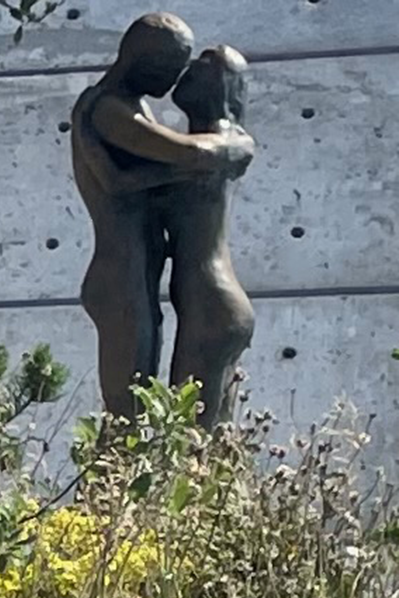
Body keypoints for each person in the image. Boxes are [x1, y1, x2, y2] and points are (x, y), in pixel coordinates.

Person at [70, 13, 255, 422]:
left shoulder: (135, 109)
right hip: (121, 276)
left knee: (179, 423)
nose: (175, 79)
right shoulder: (109, 110)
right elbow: (176, 159)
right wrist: (229, 151)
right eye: (172, 66)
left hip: (149, 282)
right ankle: (113, 484)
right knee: (127, 417)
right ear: (144, 60)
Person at [158, 46, 255, 426]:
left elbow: (211, 155)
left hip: (213, 303)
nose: (189, 70)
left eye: (204, 65)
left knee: (192, 430)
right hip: (206, 303)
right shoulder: (191, 142)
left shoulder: (223, 139)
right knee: (207, 428)